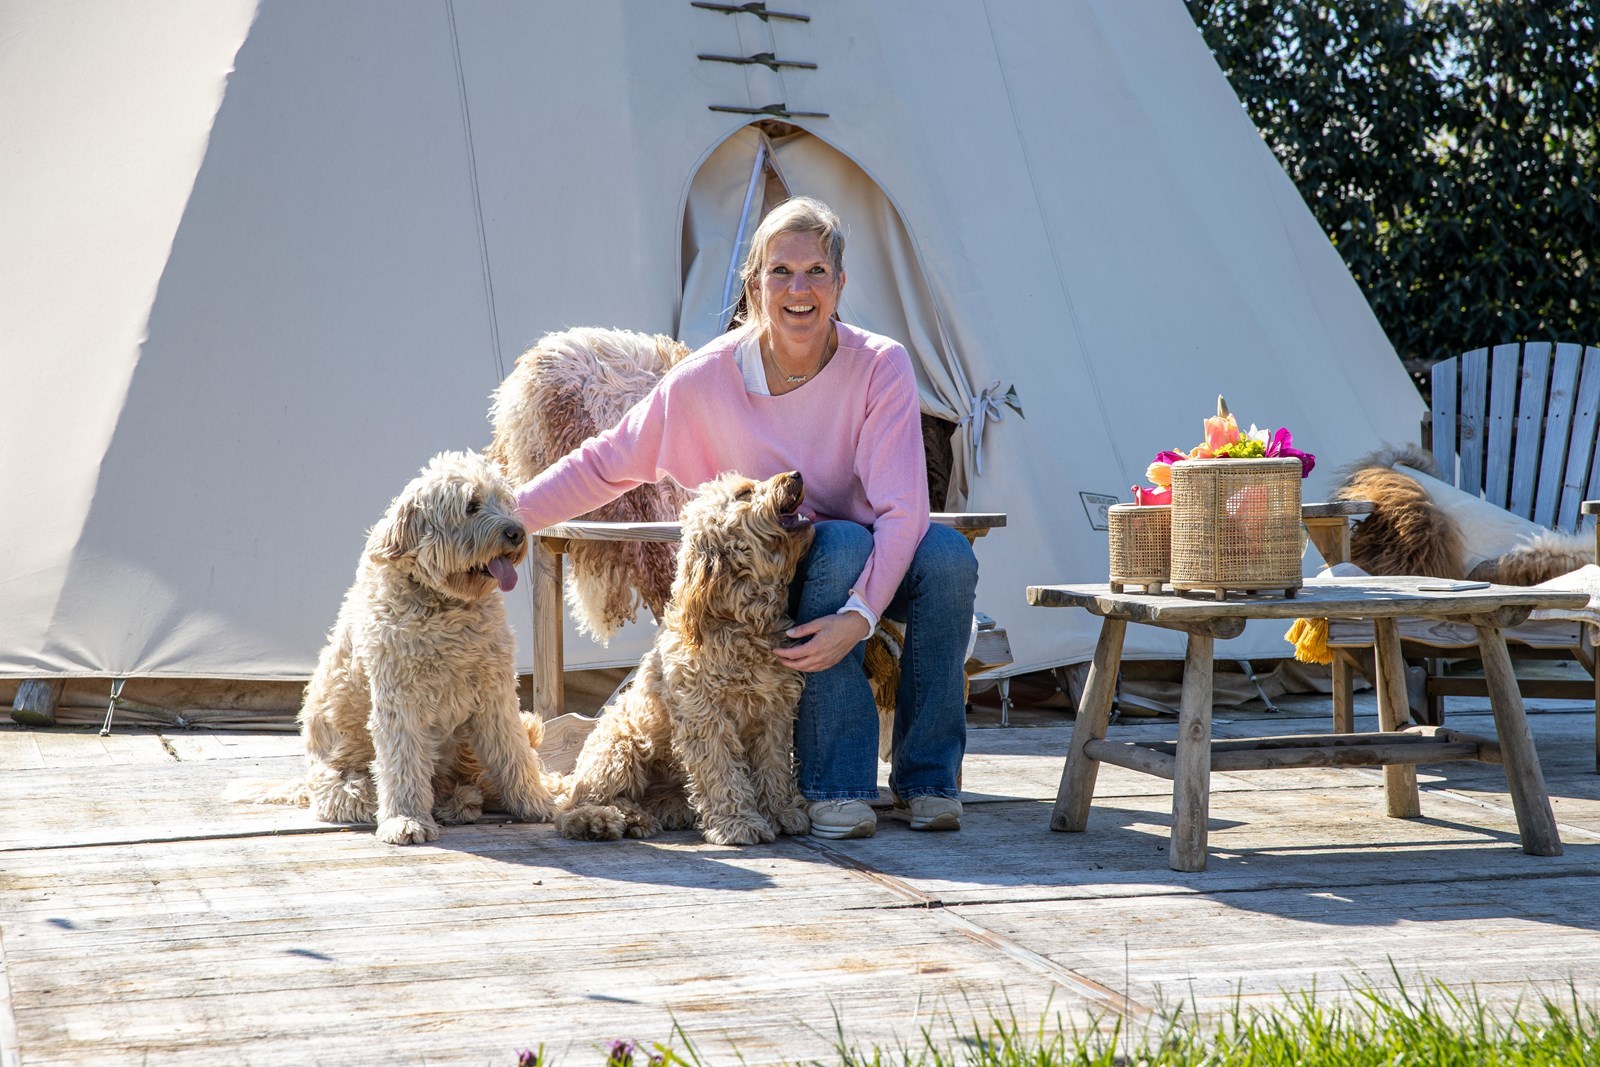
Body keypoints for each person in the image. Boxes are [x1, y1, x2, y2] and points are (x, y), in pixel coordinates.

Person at [513, 196, 978, 840]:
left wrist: (860, 618)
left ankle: (928, 779)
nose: (799, 288)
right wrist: (506, 524)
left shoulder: (881, 366)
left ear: (840, 285)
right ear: (754, 284)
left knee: (952, 559)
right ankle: (834, 787)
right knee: (838, 541)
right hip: (782, 568)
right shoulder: (706, 382)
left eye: (816, 271)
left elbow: (905, 510)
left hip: (876, 561)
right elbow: (607, 461)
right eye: (781, 272)